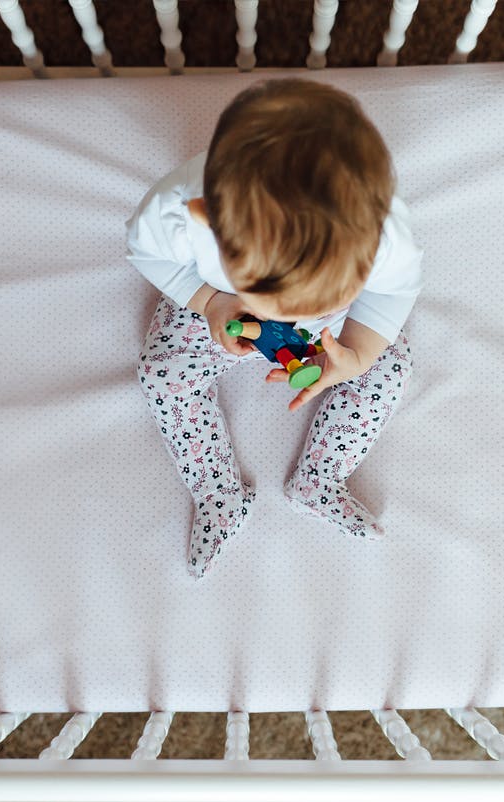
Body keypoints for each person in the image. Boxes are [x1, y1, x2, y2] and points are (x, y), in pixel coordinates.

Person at [127, 78, 423, 578]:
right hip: (217, 309)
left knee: (390, 366)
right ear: (209, 221)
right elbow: (148, 254)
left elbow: (390, 294)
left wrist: (356, 350)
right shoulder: (179, 212)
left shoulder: (383, 230)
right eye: (274, 300)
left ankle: (321, 477)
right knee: (162, 374)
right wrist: (213, 300)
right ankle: (218, 493)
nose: (285, 324)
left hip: (334, 330)